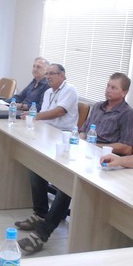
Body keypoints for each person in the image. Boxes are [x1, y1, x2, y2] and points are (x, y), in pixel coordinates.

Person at [15, 63, 82, 255]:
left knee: (65, 184)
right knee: (35, 167)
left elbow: (59, 112)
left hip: (63, 137)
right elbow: (44, 116)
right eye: (48, 74)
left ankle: (42, 232)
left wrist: (34, 116)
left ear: (63, 75)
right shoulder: (47, 92)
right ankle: (40, 213)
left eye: (52, 73)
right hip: (47, 134)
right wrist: (34, 118)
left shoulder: (70, 90)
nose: (49, 77)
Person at [80, 72, 133, 156]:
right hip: (86, 151)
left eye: (113, 88)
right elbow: (84, 131)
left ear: (124, 93)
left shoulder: (128, 115)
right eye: (108, 86)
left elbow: (127, 148)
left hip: (107, 156)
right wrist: (81, 141)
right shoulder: (97, 106)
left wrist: (95, 146)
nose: (108, 90)